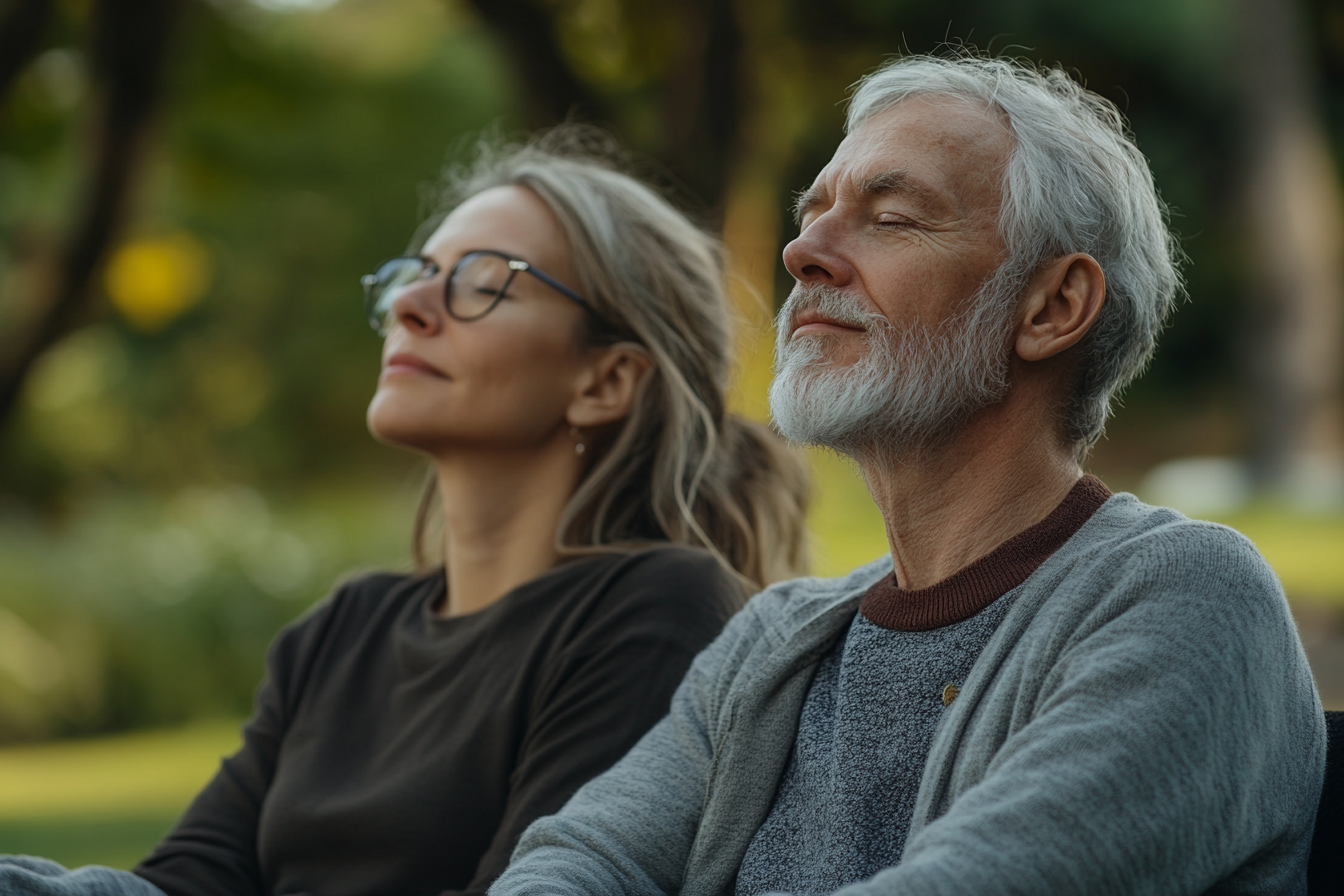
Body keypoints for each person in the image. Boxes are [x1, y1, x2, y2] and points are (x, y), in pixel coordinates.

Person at [489, 56, 1327, 896]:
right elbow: (578, 863)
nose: (802, 253)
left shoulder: (1186, 596)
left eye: (890, 218)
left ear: (1052, 308)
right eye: (812, 214)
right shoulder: (772, 640)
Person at [0, 130, 810, 896]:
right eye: (414, 274)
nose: (413, 305)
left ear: (604, 381)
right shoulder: (345, 628)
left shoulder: (657, 609)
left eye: (482, 282)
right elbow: (178, 885)